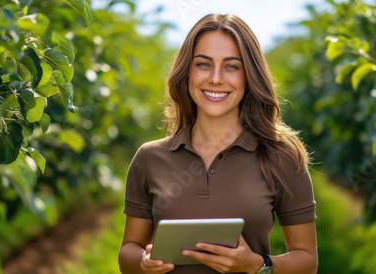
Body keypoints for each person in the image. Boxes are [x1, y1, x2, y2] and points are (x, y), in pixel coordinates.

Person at [118, 13, 317, 274]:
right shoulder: (149, 158)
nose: (215, 78)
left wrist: (259, 265)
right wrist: (143, 263)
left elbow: (307, 261)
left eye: (232, 66)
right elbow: (128, 250)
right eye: (203, 64)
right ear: (186, 71)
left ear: (249, 76)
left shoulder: (282, 157)